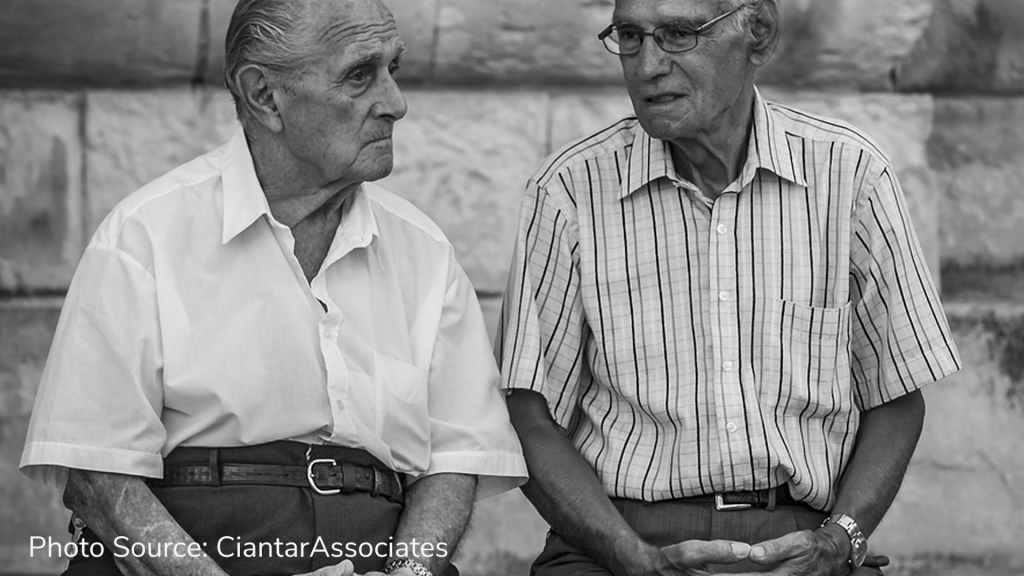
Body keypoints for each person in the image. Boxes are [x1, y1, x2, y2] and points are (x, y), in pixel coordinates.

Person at [20, 0, 527, 575]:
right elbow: (98, 477)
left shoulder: (424, 249)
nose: (395, 102)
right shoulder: (145, 235)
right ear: (264, 95)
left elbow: (456, 459)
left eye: (393, 69)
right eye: (359, 75)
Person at [495, 0, 961, 574]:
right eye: (630, 36)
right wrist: (631, 556)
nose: (648, 65)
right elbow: (528, 414)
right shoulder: (569, 189)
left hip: (801, 537)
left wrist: (840, 539)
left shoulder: (850, 174)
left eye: (677, 34)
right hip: (618, 537)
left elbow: (897, 394)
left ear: (757, 33)